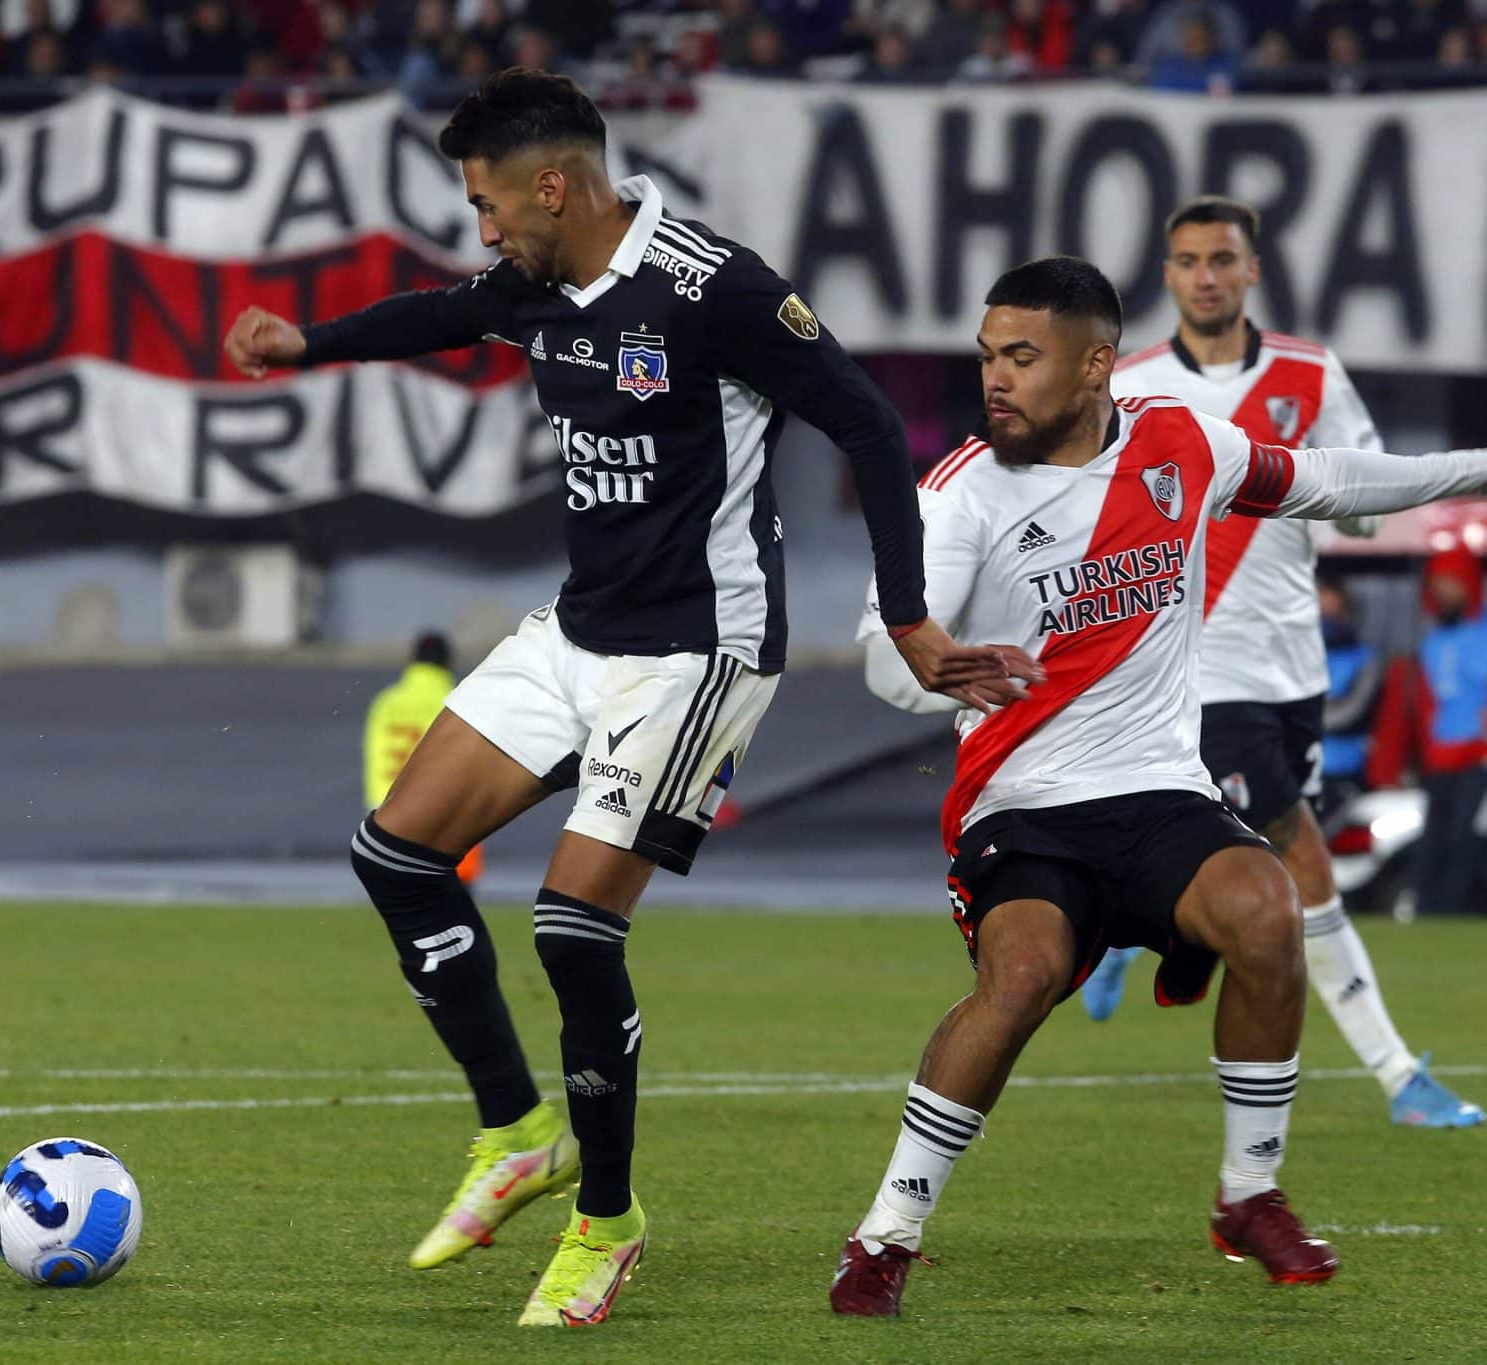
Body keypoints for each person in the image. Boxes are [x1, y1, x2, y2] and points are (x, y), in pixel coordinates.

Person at [223, 69, 996, 1327]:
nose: (482, 233)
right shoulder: (533, 282)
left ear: (553, 186)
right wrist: (303, 344)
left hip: (699, 649)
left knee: (573, 928)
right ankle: (518, 1133)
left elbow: (861, 422)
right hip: (579, 630)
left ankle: (606, 1221)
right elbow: (443, 314)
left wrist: (903, 614)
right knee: (395, 852)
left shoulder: (712, 287)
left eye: (486, 205)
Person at [827, 255, 1487, 1316]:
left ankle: (1246, 1195)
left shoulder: (1181, 445)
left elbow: (1330, 479)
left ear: (1094, 367)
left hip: (1154, 790)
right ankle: (883, 1238)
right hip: (1020, 802)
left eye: (1021, 356)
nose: (994, 378)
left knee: (1267, 909)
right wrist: (924, 666)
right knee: (1024, 974)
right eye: (988, 354)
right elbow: (877, 644)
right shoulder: (956, 496)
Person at [1091, 194, 1485, 1128]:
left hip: (1291, 660)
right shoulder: (1140, 382)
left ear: (1252, 269)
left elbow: (1365, 497)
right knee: (1302, 859)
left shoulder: (1310, 371)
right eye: (1188, 261)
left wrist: (1343, 495)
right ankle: (1398, 1074)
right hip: (1200, 663)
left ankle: (1129, 917)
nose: (1207, 276)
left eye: (1222, 259)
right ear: (1168, 275)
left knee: (1255, 855)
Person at [1366, 546, 1487, 915]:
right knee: (1434, 840)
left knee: (1469, 838)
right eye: (1439, 584)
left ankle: (1461, 910)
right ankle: (1430, 910)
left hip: (1484, 756)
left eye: (1453, 583)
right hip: (1441, 759)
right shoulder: (1431, 643)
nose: (1445, 592)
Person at [364, 632, 483, 886]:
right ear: (448, 661)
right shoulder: (458, 699)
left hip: (386, 811)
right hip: (444, 810)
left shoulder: (386, 702)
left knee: (402, 903)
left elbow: (375, 755)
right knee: (453, 902)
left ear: (412, 659)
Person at [1317, 575, 1383, 814]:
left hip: (1347, 768)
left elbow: (1354, 711)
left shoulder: (1364, 659)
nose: (1325, 618)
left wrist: (1305, 719)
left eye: (1332, 610)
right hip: (1302, 771)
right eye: (1320, 610)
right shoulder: (1297, 658)